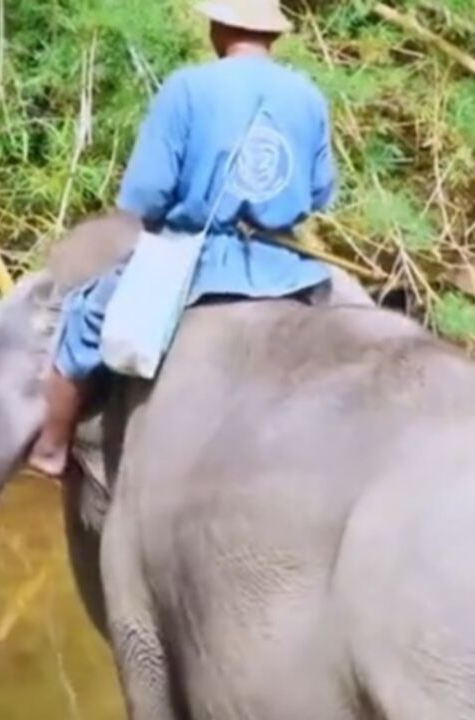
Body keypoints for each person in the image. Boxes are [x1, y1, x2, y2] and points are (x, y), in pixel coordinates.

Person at [26, 0, 339, 478]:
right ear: (272, 35)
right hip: (285, 266)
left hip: (197, 260)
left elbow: (145, 196)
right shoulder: (308, 95)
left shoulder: (188, 88)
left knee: (84, 318)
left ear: (220, 27)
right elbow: (319, 192)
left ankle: (50, 447)